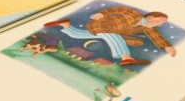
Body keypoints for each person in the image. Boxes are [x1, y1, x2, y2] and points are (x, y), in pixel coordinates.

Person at [44, 6, 177, 66]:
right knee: (116, 38)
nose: (160, 24)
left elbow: (156, 36)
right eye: (160, 21)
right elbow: (117, 9)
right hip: (104, 25)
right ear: (151, 17)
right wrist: (102, 13)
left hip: (105, 30)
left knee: (78, 35)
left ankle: (65, 25)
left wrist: (167, 46)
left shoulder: (146, 27)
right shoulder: (134, 14)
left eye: (163, 23)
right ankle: (126, 58)